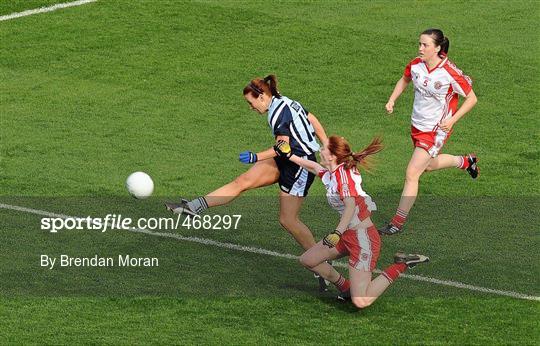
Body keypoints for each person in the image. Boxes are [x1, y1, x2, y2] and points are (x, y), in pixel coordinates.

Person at [165, 74, 332, 289]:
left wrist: (255, 157)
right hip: (287, 159)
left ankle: (321, 264)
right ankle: (193, 207)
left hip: (300, 166)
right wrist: (325, 144)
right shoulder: (285, 101)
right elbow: (312, 118)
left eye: (251, 103)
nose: (251, 108)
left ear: (261, 96)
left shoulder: (278, 114)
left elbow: (283, 148)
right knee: (243, 180)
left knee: (288, 220)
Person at [274, 136, 429, 308]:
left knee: (361, 301)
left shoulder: (343, 176)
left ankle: (402, 264)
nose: (320, 150)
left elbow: (350, 205)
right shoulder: (334, 172)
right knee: (308, 260)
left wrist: (337, 232)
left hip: (362, 240)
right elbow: (315, 167)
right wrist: (289, 156)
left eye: (323, 148)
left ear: (332, 156)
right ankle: (346, 287)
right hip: (347, 234)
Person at [379, 28, 479, 235]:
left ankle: (397, 222)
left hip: (435, 130)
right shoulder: (417, 65)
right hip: (417, 125)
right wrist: (392, 99)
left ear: (438, 48)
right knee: (428, 166)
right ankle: (465, 161)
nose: (420, 48)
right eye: (420, 44)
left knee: (412, 173)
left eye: (425, 45)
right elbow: (405, 78)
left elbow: (472, 98)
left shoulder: (449, 72)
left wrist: (452, 120)